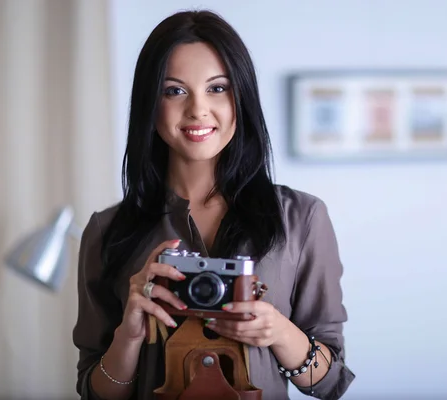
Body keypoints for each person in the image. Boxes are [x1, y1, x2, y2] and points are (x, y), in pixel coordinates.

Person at [72, 9, 354, 400]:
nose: (198, 109)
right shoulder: (108, 230)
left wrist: (278, 331)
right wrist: (129, 334)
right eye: (174, 90)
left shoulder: (301, 218)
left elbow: (330, 382)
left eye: (217, 88)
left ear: (242, 96)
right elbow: (94, 391)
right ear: (149, 104)